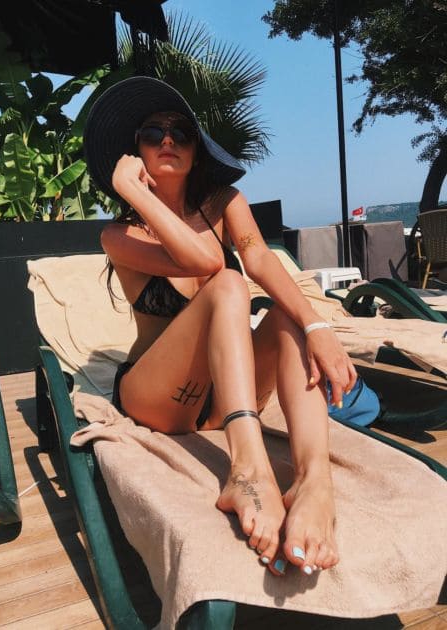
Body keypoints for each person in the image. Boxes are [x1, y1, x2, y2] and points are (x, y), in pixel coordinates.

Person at [84, 76, 358, 578]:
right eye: (153, 133)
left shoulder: (225, 203)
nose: (168, 140)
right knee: (228, 284)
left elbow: (262, 260)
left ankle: (314, 480)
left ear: (197, 150)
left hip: (226, 398)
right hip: (159, 398)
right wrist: (133, 192)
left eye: (181, 132)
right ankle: (248, 466)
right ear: (136, 151)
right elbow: (207, 262)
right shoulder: (119, 235)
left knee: (284, 316)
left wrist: (317, 327)